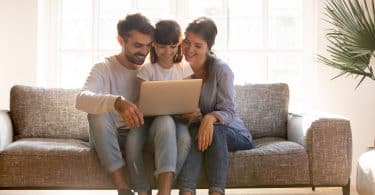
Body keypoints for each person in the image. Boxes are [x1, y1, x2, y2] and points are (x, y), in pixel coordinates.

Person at [75, 13, 154, 195]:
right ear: (121, 40)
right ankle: (122, 188)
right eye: (137, 45)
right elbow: (81, 98)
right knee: (98, 113)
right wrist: (116, 102)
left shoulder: (151, 70)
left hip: (139, 134)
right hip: (109, 136)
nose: (144, 51)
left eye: (148, 46)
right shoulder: (103, 67)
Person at [176, 17, 253, 195]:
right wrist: (190, 116)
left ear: (208, 48)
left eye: (198, 45)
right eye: (187, 42)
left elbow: (228, 111)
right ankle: (187, 191)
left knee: (214, 129)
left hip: (234, 133)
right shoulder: (177, 69)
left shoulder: (221, 70)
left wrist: (209, 118)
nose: (190, 49)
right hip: (197, 130)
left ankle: (216, 192)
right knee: (194, 132)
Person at [127, 20, 193, 195]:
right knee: (132, 144)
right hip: (149, 121)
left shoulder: (184, 69)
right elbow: (141, 103)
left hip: (178, 119)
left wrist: (192, 111)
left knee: (185, 140)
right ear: (154, 45)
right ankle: (142, 189)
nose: (168, 52)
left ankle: (164, 186)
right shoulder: (147, 70)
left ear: (178, 45)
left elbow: (189, 100)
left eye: (172, 46)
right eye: (163, 47)